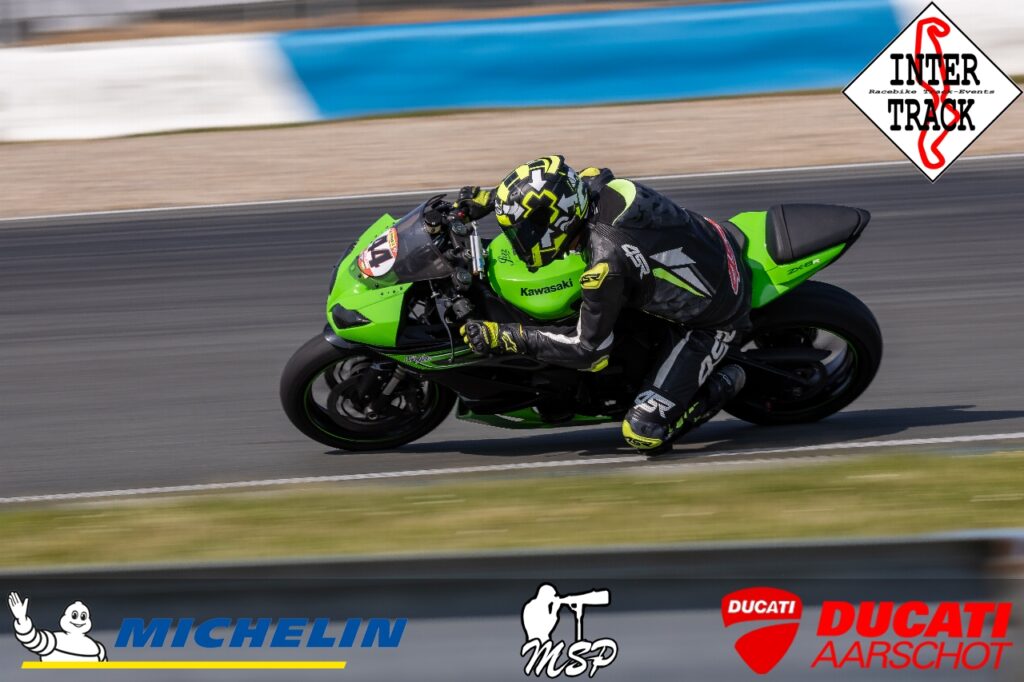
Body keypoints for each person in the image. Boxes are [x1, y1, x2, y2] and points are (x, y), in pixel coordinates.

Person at [456, 155, 751, 453]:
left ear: (557, 222)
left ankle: (724, 382)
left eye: (527, 231)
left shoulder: (606, 265)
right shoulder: (593, 184)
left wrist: (506, 337)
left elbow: (588, 351)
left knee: (643, 433)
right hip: (711, 240)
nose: (522, 239)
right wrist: (491, 201)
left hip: (713, 317)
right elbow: (555, 184)